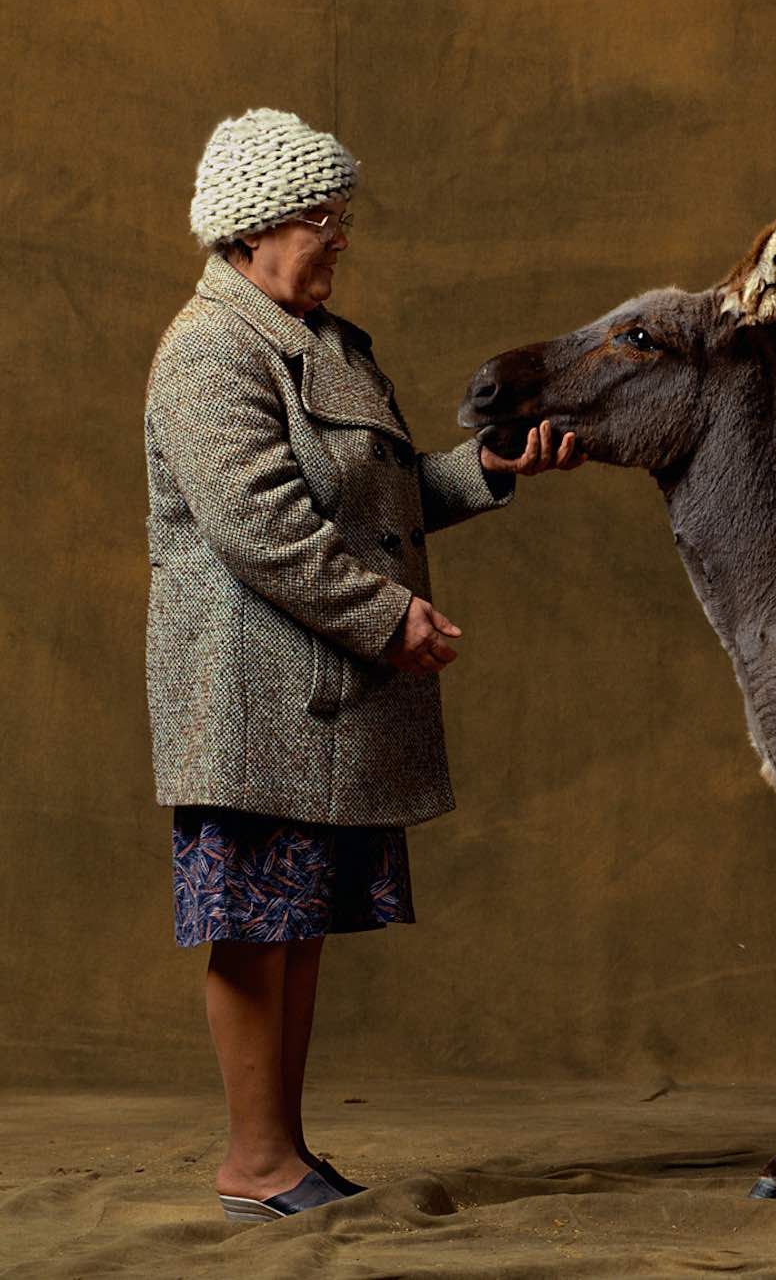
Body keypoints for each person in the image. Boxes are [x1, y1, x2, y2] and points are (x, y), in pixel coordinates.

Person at [144, 108, 582, 1222]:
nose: (338, 237)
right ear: (250, 230)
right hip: (251, 699)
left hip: (315, 696)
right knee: (254, 924)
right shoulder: (209, 349)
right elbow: (262, 527)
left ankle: (280, 1156)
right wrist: (390, 621)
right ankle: (253, 1164)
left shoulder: (326, 345)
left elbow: (374, 505)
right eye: (317, 218)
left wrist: (484, 468)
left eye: (339, 217)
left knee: (293, 925)